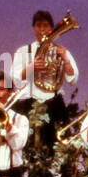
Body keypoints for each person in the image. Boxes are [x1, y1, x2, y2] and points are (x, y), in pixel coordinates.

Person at [11, 10, 77, 148]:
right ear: (33, 28)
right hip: (29, 103)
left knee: (58, 147)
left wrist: (65, 58)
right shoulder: (23, 51)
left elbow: (72, 80)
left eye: (46, 25)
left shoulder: (61, 50)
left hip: (55, 104)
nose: (42, 29)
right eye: (39, 25)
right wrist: (32, 67)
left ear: (51, 28)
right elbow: (15, 79)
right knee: (28, 147)